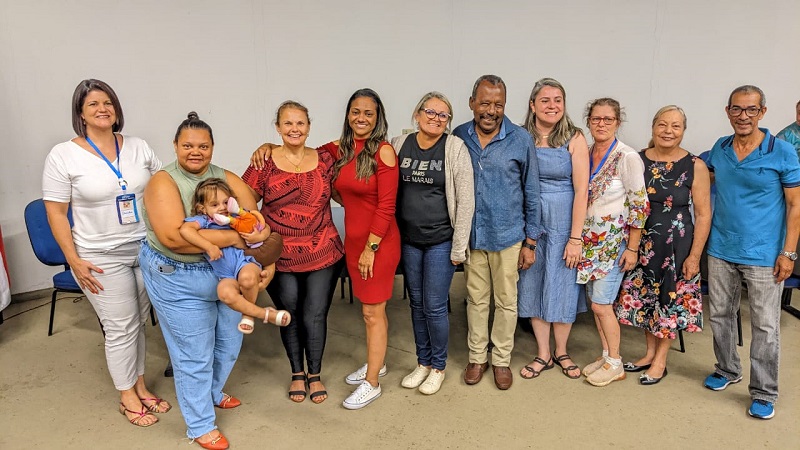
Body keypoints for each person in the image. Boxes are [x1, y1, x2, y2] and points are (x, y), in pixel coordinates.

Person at [250, 90, 399, 409]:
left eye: (369, 113)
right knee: (367, 311)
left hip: (377, 242)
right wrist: (269, 148)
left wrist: (372, 247)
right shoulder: (337, 150)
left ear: (378, 117)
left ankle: (372, 381)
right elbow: (299, 152)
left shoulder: (383, 152)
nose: (361, 118)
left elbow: (387, 206)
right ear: (348, 115)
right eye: (356, 112)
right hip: (352, 243)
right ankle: (376, 363)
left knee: (373, 312)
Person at [140, 112, 274, 449]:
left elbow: (256, 219)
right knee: (194, 354)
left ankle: (213, 392)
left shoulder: (224, 176)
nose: (195, 151)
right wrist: (234, 239)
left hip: (225, 273)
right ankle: (200, 425)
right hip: (177, 275)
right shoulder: (163, 182)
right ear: (175, 146)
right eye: (187, 145)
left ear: (213, 147)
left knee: (230, 341)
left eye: (203, 145)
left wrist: (261, 249)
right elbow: (173, 238)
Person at [42, 79, 166, 427]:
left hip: (145, 247)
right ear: (80, 113)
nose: (103, 108)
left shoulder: (138, 147)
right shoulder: (63, 155)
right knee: (120, 326)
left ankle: (139, 385)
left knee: (137, 322)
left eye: (108, 101)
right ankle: (127, 396)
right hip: (98, 255)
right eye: (93, 103)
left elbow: (163, 186)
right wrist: (74, 260)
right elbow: (55, 212)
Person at [703, 85, 800, 420]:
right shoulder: (721, 147)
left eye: (751, 110)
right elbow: (694, 169)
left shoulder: (783, 151)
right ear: (728, 111)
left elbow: (795, 205)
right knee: (719, 315)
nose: (743, 116)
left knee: (766, 326)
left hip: (764, 253)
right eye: (737, 109)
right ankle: (727, 369)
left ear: (763, 112)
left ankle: (764, 392)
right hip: (720, 247)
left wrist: (789, 253)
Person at [242, 101, 345, 405]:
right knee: (290, 313)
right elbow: (245, 204)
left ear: (309, 126)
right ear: (277, 127)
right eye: (287, 124)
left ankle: (314, 374)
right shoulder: (264, 162)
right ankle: (296, 373)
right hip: (280, 255)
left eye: (300, 123)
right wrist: (257, 234)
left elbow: (360, 143)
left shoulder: (326, 159)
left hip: (323, 250)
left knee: (315, 314)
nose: (294, 129)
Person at [453, 75, 541, 390]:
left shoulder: (520, 139)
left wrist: (531, 241)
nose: (491, 110)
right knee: (475, 300)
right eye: (485, 103)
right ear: (472, 103)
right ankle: (478, 357)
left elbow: (532, 193)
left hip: (509, 237)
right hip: (474, 237)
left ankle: (501, 360)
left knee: (506, 302)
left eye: (498, 104)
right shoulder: (459, 136)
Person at [616, 105, 711, 385]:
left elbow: (704, 214)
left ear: (683, 131)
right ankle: (648, 353)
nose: (668, 131)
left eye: (676, 126)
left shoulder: (695, 166)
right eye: (663, 125)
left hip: (676, 245)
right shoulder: (637, 159)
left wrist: (695, 256)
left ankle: (661, 361)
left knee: (668, 298)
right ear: (653, 127)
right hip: (641, 241)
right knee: (647, 298)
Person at [391, 92, 475, 395]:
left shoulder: (454, 148)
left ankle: (438, 366)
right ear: (417, 113)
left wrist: (458, 248)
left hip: (441, 240)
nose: (436, 118)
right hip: (410, 241)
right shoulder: (399, 145)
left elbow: (466, 202)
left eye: (443, 115)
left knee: (435, 305)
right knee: (416, 304)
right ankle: (422, 362)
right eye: (431, 112)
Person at [516, 78, 589, 381]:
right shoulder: (520, 138)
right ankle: (543, 353)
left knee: (562, 285)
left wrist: (575, 238)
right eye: (545, 100)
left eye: (558, 100)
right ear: (532, 105)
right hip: (529, 222)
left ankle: (562, 351)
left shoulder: (574, 138)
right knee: (531, 284)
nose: (552, 106)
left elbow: (582, 190)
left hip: (563, 221)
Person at [577, 97, 649, 387]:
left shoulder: (627, 156)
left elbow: (639, 205)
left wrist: (632, 247)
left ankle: (616, 362)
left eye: (608, 119)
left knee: (602, 305)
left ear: (618, 122)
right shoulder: (587, 151)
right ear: (589, 121)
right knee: (596, 302)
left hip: (614, 243)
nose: (602, 124)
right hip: (589, 242)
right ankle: (606, 355)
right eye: (596, 119)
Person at [179, 178, 291, 334]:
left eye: (226, 202)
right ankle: (264, 314)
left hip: (246, 261)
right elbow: (185, 230)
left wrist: (259, 236)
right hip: (225, 275)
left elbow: (262, 224)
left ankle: (247, 315)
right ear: (202, 208)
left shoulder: (237, 215)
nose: (222, 208)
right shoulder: (204, 220)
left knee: (247, 279)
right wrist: (209, 246)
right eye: (214, 204)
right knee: (224, 293)